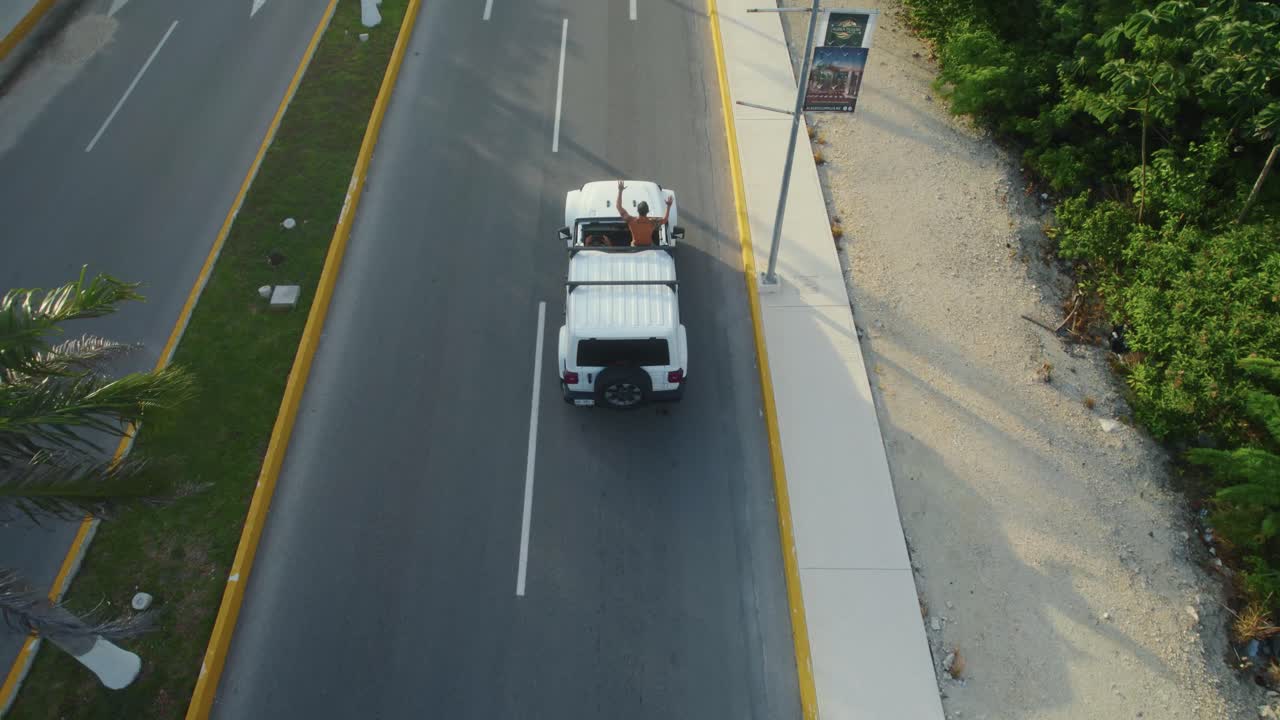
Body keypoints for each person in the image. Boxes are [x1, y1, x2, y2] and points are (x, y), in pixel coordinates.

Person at [616, 180, 673, 247]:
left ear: (637, 210)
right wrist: (668, 206)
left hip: (635, 247)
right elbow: (665, 220)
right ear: (647, 211)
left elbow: (618, 206)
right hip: (649, 246)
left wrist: (620, 191)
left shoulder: (631, 220)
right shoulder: (652, 222)